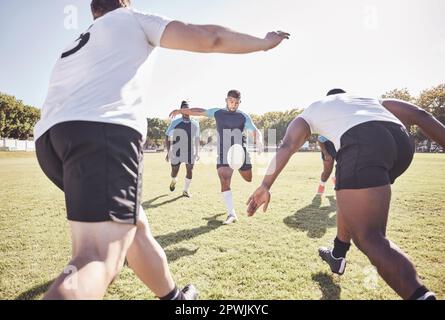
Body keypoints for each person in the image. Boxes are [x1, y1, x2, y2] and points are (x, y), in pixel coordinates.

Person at [33, 0, 289, 299]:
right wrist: (262, 43)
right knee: (96, 257)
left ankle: (175, 299)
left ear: (94, 11)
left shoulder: (77, 42)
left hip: (50, 140)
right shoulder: (132, 19)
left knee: (136, 227)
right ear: (125, 3)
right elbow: (210, 38)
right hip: (99, 133)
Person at [246, 89, 445, 300]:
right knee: (348, 191)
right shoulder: (368, 99)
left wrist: (266, 184)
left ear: (327, 98)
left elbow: (288, 144)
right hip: (401, 145)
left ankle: (420, 296)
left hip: (363, 143)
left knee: (369, 236)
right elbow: (421, 115)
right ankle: (338, 254)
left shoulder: (313, 108)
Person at [169, 90, 264, 225]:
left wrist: (258, 140)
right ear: (226, 100)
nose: (234, 104)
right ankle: (231, 214)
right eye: (231, 101)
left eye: (237, 102)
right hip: (223, 153)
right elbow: (200, 111)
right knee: (224, 178)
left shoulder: (243, 117)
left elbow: (255, 130)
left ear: (240, 102)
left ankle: (236, 168)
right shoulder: (217, 112)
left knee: (248, 178)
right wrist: (181, 111)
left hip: (239, 152)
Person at [165, 101, 200, 198]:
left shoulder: (196, 123)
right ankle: (174, 180)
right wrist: (168, 152)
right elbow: (167, 136)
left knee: (190, 169)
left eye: (187, 109)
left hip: (190, 151)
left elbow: (197, 138)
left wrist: (197, 152)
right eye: (183, 109)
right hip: (176, 151)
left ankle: (185, 190)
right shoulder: (175, 122)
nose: (186, 111)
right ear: (180, 111)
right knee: (174, 172)